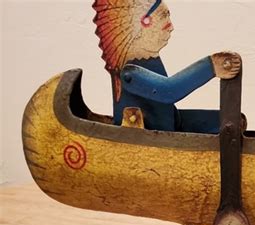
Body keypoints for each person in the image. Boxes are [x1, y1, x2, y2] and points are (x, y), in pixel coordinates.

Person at [93, 0, 241, 132]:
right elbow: (168, 91)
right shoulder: (129, 74)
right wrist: (211, 67)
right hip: (146, 134)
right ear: (145, 22)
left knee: (232, 121)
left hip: (169, 123)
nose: (171, 27)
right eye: (164, 16)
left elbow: (166, 107)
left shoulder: (150, 60)